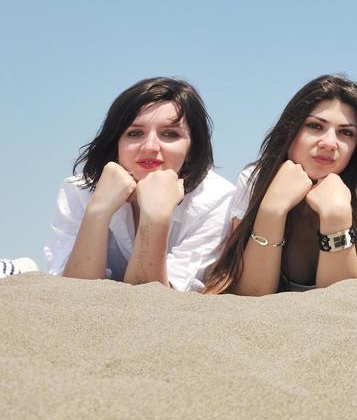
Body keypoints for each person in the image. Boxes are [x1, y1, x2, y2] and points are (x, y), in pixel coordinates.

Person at [203, 75, 357, 295]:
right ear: (291, 130)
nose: (328, 143)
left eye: (346, 132)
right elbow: (251, 297)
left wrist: (336, 217)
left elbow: (344, 306)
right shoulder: (255, 180)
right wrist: (272, 209)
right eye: (315, 126)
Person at [44, 77, 234, 291]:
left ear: (192, 150)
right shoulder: (78, 190)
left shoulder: (216, 199)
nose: (150, 146)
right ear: (115, 142)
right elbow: (74, 293)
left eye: (170, 134)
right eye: (135, 133)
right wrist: (98, 212)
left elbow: (153, 302)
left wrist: (155, 217)